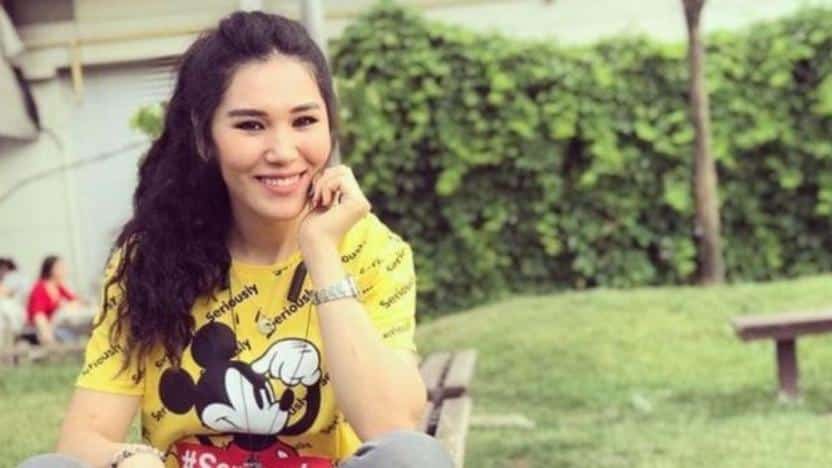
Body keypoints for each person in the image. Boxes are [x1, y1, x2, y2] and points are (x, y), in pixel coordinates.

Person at [19, 11, 451, 468]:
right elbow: (81, 440)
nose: (283, 152)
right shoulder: (151, 258)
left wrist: (322, 253)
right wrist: (129, 458)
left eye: (304, 121)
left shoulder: (371, 250)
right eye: (251, 125)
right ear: (205, 137)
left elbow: (394, 430)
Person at [25, 255, 94, 344]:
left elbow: (76, 301)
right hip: (44, 329)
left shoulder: (59, 287)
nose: (64, 270)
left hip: (58, 326)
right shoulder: (40, 288)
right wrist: (47, 335)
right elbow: (38, 315)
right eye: (60, 267)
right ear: (50, 270)